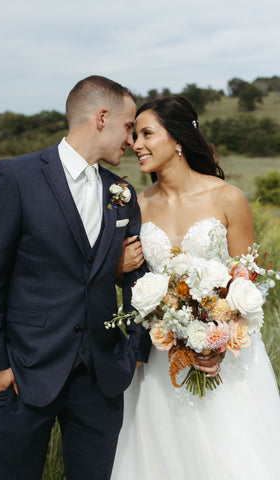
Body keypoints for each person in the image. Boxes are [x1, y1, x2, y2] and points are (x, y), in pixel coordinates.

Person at [0, 75, 151, 480]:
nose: (132, 139)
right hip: (24, 371)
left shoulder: (120, 191)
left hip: (101, 378)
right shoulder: (15, 177)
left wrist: (135, 348)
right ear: (102, 117)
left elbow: (138, 280)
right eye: (128, 126)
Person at [112, 95, 280, 480]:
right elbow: (126, 277)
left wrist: (220, 341)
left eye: (146, 133)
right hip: (159, 359)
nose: (136, 144)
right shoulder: (135, 207)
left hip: (223, 359)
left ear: (177, 140)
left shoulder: (227, 198)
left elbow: (246, 282)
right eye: (134, 135)